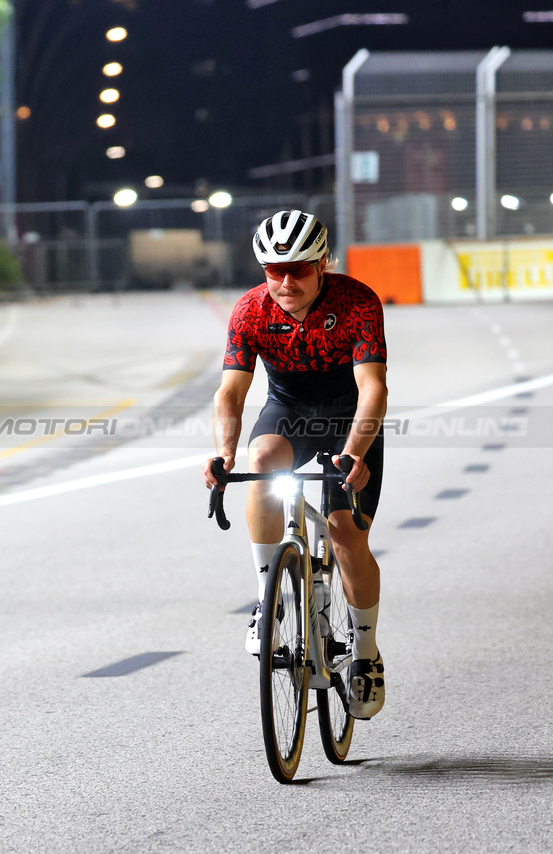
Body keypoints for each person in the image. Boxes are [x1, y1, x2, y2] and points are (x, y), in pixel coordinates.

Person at [201, 210, 388, 719]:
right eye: (274, 269)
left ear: (324, 262)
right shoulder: (250, 311)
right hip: (289, 412)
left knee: (346, 533)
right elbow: (231, 391)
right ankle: (269, 599)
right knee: (260, 462)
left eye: (300, 269)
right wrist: (224, 453)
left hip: (348, 417)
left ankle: (366, 653)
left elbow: (373, 387)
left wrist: (355, 452)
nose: (286, 282)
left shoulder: (357, 302)